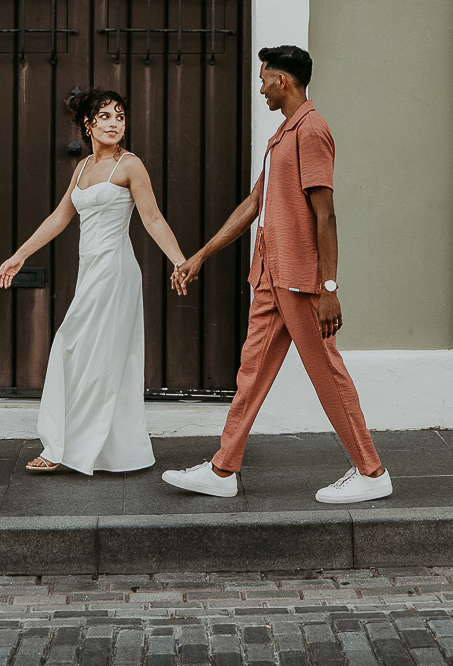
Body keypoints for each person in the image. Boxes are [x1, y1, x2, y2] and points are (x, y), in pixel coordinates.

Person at [161, 46, 392, 503]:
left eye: (264, 79)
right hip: (269, 276)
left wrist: (329, 287)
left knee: (327, 372)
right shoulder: (282, 136)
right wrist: (202, 254)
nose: (261, 88)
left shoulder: (312, 131)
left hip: (301, 280)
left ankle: (371, 472)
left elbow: (325, 215)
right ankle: (223, 470)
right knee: (251, 373)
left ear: (282, 81)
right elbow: (254, 204)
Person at [0, 89, 190, 474]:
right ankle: (84, 447)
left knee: (84, 350)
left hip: (116, 272)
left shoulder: (131, 165)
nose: (114, 123)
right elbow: (59, 217)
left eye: (120, 115)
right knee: (80, 351)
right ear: (88, 125)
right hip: (91, 272)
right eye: (105, 116)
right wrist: (19, 255)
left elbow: (152, 219)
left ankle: (63, 448)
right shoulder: (82, 168)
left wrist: (181, 261)